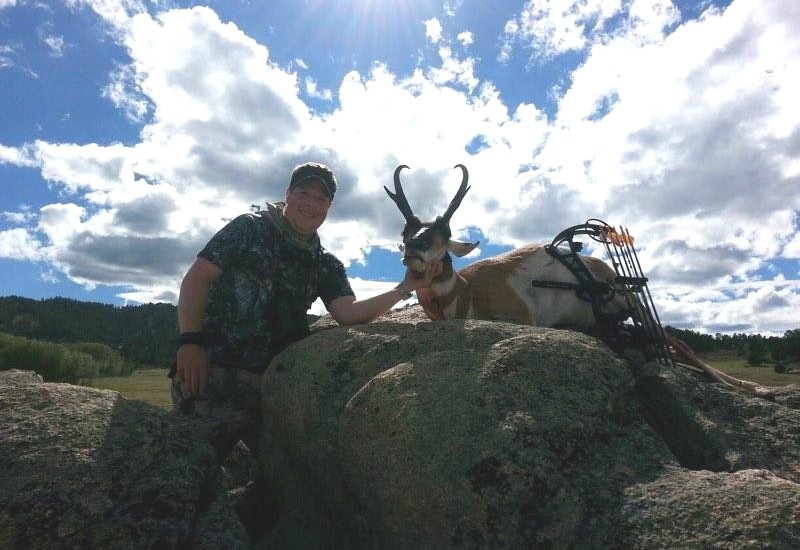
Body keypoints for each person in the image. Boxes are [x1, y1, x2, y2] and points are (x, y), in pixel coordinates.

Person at [171, 161, 441, 461]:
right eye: (304, 192)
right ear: (288, 194)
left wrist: (405, 288)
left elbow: (349, 313)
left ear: (329, 207)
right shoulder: (248, 229)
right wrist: (191, 342)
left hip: (274, 388)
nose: (311, 203)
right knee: (187, 467)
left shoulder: (324, 263)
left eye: (321, 198)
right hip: (213, 374)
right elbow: (198, 277)